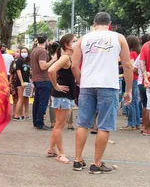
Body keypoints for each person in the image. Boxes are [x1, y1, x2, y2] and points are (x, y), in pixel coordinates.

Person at [71, 12, 132, 174]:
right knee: (104, 125)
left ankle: (77, 160)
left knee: (83, 123)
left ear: (94, 23)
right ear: (109, 23)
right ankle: (96, 163)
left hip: (87, 85)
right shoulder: (119, 38)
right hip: (108, 84)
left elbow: (74, 65)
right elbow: (127, 65)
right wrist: (129, 90)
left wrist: (80, 80)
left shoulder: (83, 39)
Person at [48, 34, 78, 164]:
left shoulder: (70, 57)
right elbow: (51, 70)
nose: (77, 43)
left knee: (60, 124)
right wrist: (56, 86)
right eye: (74, 41)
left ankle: (51, 149)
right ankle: (60, 154)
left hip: (67, 95)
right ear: (67, 44)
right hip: (62, 95)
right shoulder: (65, 58)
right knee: (59, 125)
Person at [31, 36, 58, 130]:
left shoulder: (34, 50)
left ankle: (36, 122)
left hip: (37, 79)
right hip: (43, 79)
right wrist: (53, 60)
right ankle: (39, 123)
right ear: (46, 41)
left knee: (37, 102)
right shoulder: (42, 51)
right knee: (43, 102)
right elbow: (43, 66)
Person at [120, 36, 142, 131]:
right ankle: (136, 123)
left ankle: (131, 124)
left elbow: (130, 67)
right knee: (135, 101)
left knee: (130, 101)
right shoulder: (137, 53)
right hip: (136, 79)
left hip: (131, 79)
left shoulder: (131, 54)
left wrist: (122, 74)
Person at [134, 35, 150, 135]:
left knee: (145, 105)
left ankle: (144, 127)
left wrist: (140, 75)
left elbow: (134, 68)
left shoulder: (141, 55)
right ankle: (148, 128)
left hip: (141, 82)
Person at [13, 47, 31, 121]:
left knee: (26, 98)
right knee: (20, 98)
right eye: (22, 52)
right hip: (21, 83)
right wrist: (21, 82)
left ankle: (26, 115)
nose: (24, 53)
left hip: (27, 82)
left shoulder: (27, 61)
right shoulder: (19, 61)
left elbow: (28, 73)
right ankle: (16, 115)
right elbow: (18, 72)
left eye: (25, 51)